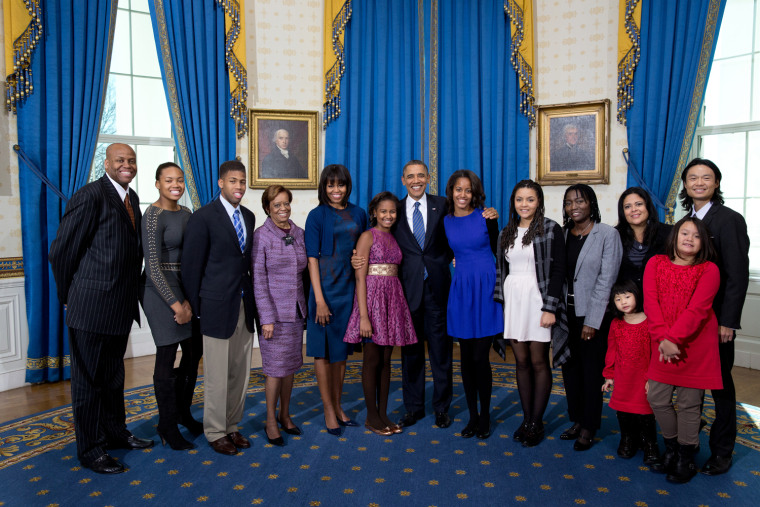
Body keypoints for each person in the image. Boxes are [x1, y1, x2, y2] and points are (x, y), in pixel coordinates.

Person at [363, 160, 497, 430]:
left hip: (440, 289)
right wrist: (359, 257)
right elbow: (379, 239)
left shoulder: (444, 205)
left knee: (441, 353)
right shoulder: (394, 210)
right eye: (410, 176)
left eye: (421, 176)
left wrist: (485, 220)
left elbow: (463, 233)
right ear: (403, 180)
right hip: (406, 291)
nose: (416, 180)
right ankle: (413, 408)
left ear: (428, 178)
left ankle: (441, 408)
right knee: (410, 353)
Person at [49, 143, 153, 474]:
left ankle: (115, 433)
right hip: (90, 307)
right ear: (106, 163)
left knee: (112, 378)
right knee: (88, 382)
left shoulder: (132, 198)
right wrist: (70, 295)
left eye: (131, 160)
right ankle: (91, 450)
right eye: (120, 160)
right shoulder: (90, 195)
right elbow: (61, 251)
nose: (127, 165)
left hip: (119, 308)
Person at [679, 158, 750, 476]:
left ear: (716, 183)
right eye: (692, 178)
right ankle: (690, 437)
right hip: (690, 320)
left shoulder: (729, 220)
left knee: (721, 387)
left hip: (717, 321)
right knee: (690, 383)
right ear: (684, 184)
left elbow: (737, 275)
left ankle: (722, 451)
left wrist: (728, 321)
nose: (698, 183)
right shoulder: (686, 221)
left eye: (705, 178)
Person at [182, 160, 257, 456]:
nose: (239, 186)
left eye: (242, 181)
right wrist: (198, 310)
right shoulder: (203, 217)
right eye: (233, 181)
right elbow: (191, 268)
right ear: (220, 183)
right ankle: (214, 431)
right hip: (214, 306)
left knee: (240, 372)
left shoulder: (249, 217)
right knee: (216, 373)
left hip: (243, 304)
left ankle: (232, 425)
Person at [644, 216, 722, 484]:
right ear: (674, 236)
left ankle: (685, 456)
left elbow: (699, 309)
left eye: (696, 235)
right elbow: (650, 302)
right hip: (661, 341)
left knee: (690, 404)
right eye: (684, 233)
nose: (689, 238)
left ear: (703, 242)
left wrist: (673, 338)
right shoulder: (655, 263)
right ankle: (674, 445)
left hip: (695, 344)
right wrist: (662, 338)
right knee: (657, 397)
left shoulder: (709, 269)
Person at [494, 179, 566, 447]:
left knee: (538, 362)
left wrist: (550, 307)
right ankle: (526, 419)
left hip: (538, 298)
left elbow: (558, 272)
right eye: (519, 199)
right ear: (513, 202)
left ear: (539, 202)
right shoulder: (506, 232)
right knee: (521, 362)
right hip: (514, 298)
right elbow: (501, 269)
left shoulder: (550, 229)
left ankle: (537, 421)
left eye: (530, 199)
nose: (524, 204)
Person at [140, 162, 203, 451]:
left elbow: (193, 258)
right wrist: (177, 305)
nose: (175, 184)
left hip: (185, 288)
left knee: (193, 353)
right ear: (157, 184)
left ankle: (182, 412)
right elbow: (152, 268)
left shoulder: (188, 214)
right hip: (157, 290)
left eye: (179, 180)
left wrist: (189, 298)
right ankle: (166, 424)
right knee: (167, 354)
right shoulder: (152, 216)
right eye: (168, 180)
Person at [344, 192, 417, 436]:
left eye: (392, 211)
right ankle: (371, 416)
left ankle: (383, 413)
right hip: (372, 301)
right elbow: (360, 277)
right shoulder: (367, 236)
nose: (388, 215)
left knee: (386, 361)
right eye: (383, 211)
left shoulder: (395, 238)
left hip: (392, 300)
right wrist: (364, 316)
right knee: (372, 360)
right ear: (374, 212)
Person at [305, 164, 368, 435]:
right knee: (322, 353)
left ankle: (339, 405)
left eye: (340, 185)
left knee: (341, 354)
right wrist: (319, 299)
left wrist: (359, 259)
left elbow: (364, 248)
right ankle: (328, 409)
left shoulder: (359, 213)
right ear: (324, 187)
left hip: (348, 291)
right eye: (330, 185)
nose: (335, 190)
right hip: (324, 291)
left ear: (347, 186)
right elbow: (311, 259)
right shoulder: (316, 215)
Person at [560, 183, 622, 451]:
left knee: (591, 373)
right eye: (569, 202)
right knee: (570, 370)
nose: (574, 207)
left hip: (591, 317)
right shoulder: (562, 235)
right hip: (565, 315)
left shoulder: (607, 235)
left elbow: (606, 281)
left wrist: (592, 321)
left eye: (580, 201)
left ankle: (589, 426)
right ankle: (576, 419)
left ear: (591, 203)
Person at [444, 170, 503, 440]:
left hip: (486, 288)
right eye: (459, 189)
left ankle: (486, 416)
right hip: (462, 290)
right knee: (466, 359)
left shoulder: (486, 217)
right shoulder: (444, 222)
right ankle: (473, 416)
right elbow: (442, 254)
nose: (463, 195)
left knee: (480, 358)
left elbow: (501, 253)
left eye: (468, 190)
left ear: (475, 193)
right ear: (451, 191)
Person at [252, 185, 307, 447]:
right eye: (277, 205)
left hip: (296, 311)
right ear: (267, 208)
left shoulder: (299, 233)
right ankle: (270, 421)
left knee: (290, 367)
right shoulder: (262, 236)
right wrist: (266, 318)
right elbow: (258, 280)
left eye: (286, 203)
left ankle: (285, 416)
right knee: (274, 370)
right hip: (273, 314)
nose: (283, 208)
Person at [602, 280, 661, 469]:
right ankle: (627, 439)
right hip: (623, 377)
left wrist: (651, 378)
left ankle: (650, 444)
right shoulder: (616, 324)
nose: (623, 302)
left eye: (627, 296)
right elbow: (611, 349)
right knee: (624, 412)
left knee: (645, 413)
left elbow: (655, 352)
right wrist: (609, 375)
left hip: (643, 377)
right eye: (618, 299)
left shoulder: (649, 321)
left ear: (637, 295)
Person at [614, 187, 671, 287]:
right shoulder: (613, 236)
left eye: (639, 204)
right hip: (624, 299)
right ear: (623, 212)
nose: (634, 209)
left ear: (648, 207)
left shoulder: (669, 232)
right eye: (627, 207)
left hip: (660, 297)